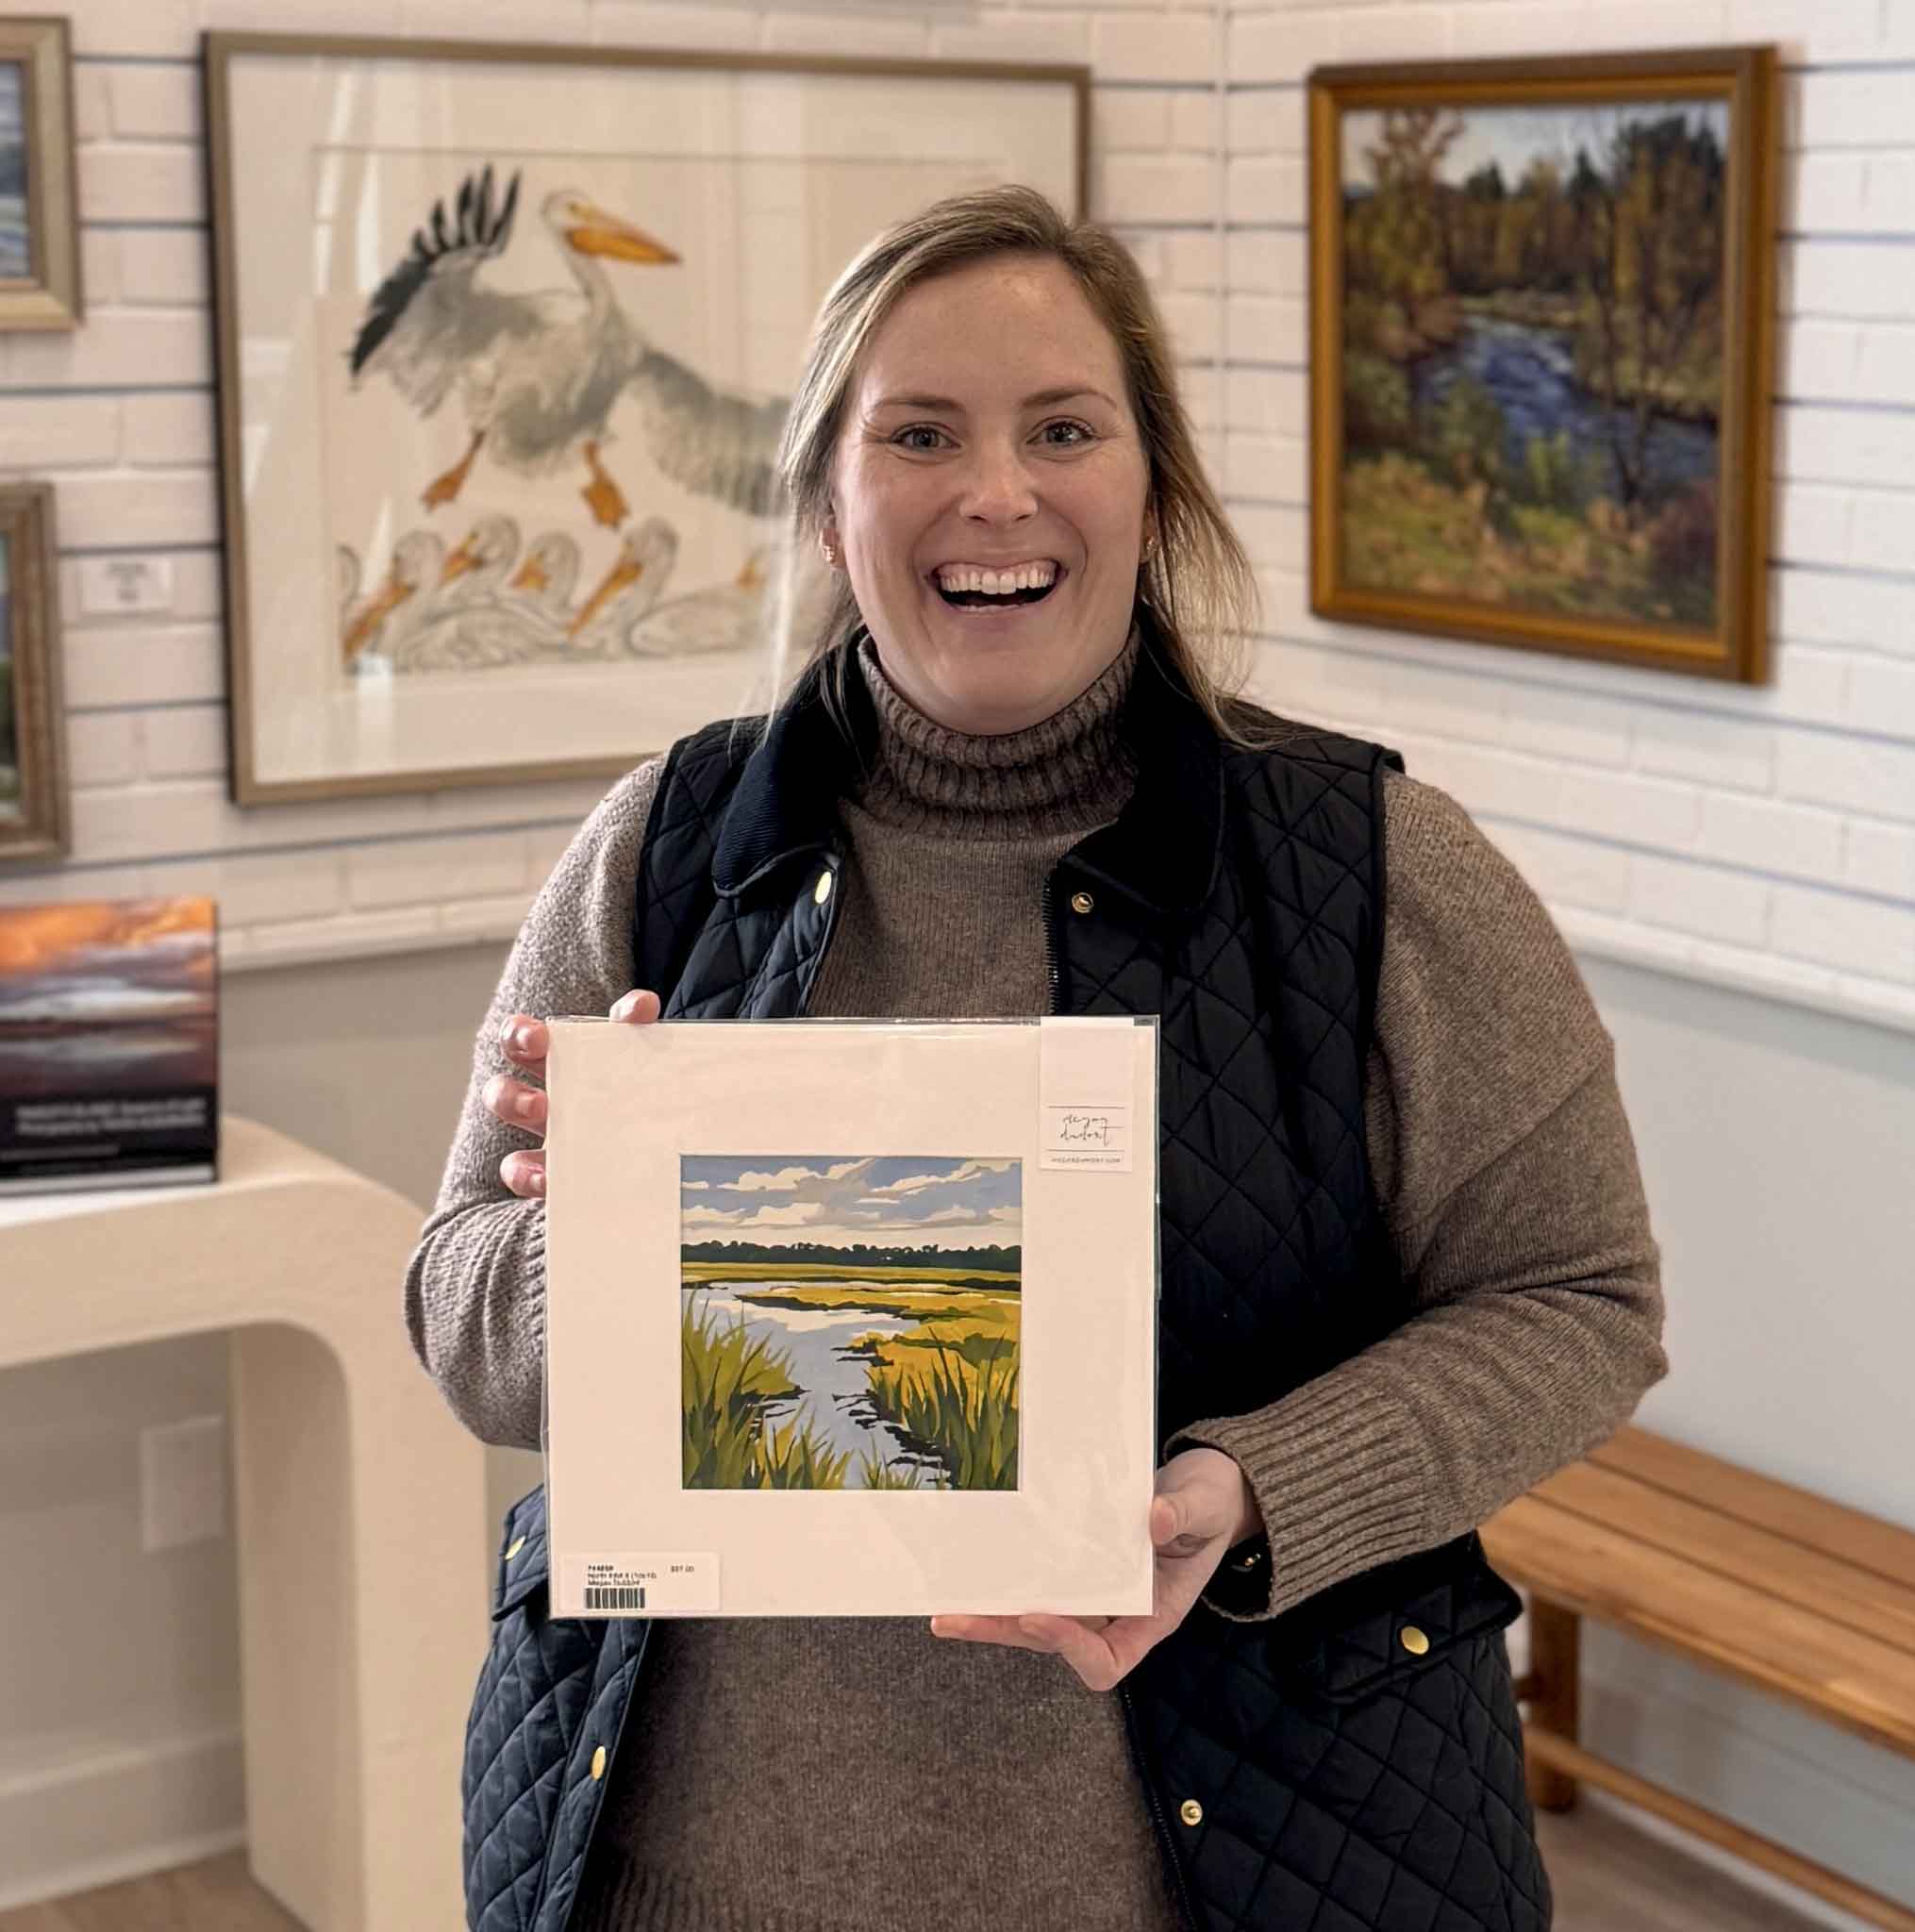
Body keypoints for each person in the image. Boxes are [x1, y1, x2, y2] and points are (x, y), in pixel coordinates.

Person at [405, 185, 1664, 1932]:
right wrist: (600, 1240)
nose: (995, 491)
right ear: (831, 502)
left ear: (1152, 490)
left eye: (1062, 429)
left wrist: (1253, 1492)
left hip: (1231, 1873)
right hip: (685, 1874)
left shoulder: (1376, 871)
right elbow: (460, 1309)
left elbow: (1581, 1302)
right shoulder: (666, 848)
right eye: (919, 433)